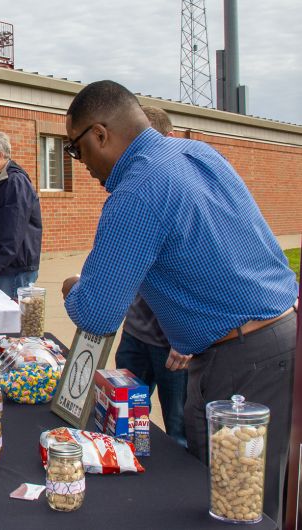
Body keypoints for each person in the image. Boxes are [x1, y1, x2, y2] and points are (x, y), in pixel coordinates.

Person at [61, 80, 298, 524]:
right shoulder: (197, 153)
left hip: (245, 357)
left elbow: (96, 312)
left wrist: (72, 287)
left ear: (99, 134)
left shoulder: (136, 190)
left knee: (240, 505)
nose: (81, 166)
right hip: (271, 337)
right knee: (234, 489)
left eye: (75, 150)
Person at [113, 105, 187, 448]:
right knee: (124, 423)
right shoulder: (135, 190)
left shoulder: (182, 192)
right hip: (136, 333)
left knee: (178, 430)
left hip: (173, 345)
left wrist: (185, 337)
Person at [0, 131, 43, 298]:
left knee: (11, 322)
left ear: (0, 155)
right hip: (4, 268)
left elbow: (13, 229)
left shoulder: (14, 182)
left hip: (13, 271)